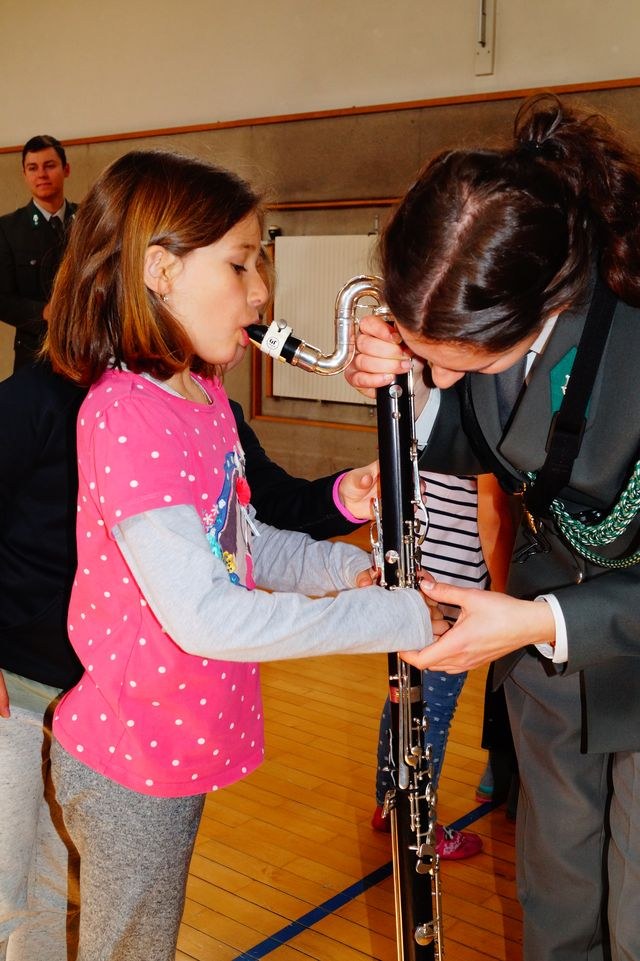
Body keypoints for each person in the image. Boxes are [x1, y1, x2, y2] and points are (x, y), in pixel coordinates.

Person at [41, 149, 442, 961]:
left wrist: (349, 570)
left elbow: (243, 546)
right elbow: (208, 615)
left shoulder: (203, 398)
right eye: (239, 262)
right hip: (131, 756)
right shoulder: (128, 415)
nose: (261, 292)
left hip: (174, 741)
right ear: (160, 271)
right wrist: (387, 616)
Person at [346, 93, 640, 961]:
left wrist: (542, 619)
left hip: (602, 629)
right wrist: (406, 386)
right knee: (556, 893)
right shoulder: (496, 309)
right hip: (543, 654)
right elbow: (490, 431)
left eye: (452, 358)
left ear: (535, 305)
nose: (440, 373)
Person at [0, 355, 380, 961]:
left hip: (109, 700)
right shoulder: (41, 396)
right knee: (9, 892)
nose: (255, 309)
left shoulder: (201, 403)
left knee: (59, 887)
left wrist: (343, 497)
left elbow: (257, 510)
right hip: (19, 682)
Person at [371, 380, 486, 860]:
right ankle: (418, 824)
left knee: (404, 698)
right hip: (449, 588)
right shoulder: (477, 415)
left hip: (413, 577)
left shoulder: (415, 403)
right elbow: (493, 516)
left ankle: (388, 802)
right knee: (430, 712)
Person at [0, 135, 77, 371]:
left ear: (66, 169)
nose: (41, 174)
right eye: (33, 168)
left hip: (85, 349)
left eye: (49, 165)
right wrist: (44, 312)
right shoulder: (7, 229)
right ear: (24, 174)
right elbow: (2, 298)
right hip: (34, 353)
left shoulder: (88, 220)